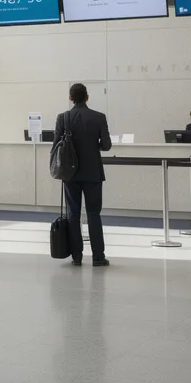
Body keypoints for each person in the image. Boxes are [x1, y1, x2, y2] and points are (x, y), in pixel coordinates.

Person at [56, 83, 113, 267]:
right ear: (87, 97)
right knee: (94, 213)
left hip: (70, 173)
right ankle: (98, 256)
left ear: (70, 98)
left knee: (73, 214)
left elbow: (56, 146)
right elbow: (106, 146)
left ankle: (77, 257)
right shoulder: (99, 117)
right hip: (93, 173)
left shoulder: (63, 118)